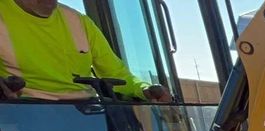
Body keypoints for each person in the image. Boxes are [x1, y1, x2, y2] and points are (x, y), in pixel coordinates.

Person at [0, 0, 171, 101]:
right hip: (24, 115)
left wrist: (145, 90)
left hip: (86, 115)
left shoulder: (79, 22)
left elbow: (118, 74)